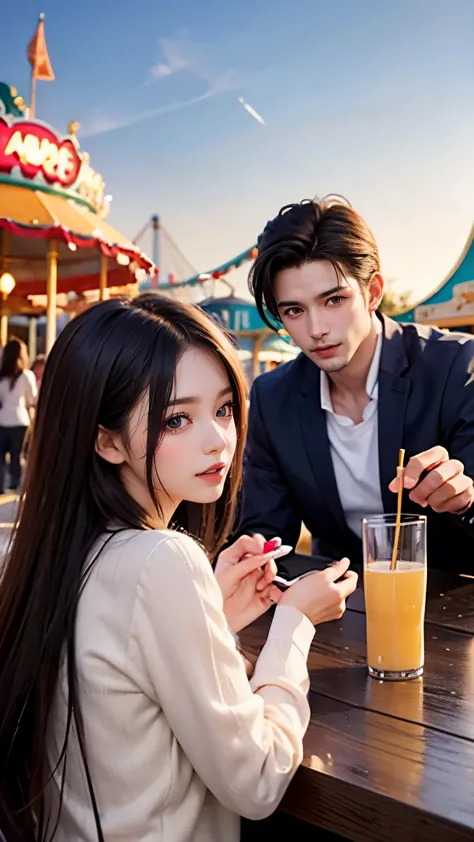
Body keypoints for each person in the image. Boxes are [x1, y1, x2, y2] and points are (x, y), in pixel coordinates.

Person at [0, 294, 357, 842]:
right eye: (176, 419)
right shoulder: (162, 558)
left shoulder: (51, 551)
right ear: (108, 440)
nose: (218, 439)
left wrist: (209, 614)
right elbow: (259, 779)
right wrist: (295, 623)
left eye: (222, 409)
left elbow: (117, 687)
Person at [239, 196, 474, 572]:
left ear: (373, 292)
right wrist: (252, 550)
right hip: (340, 609)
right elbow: (267, 531)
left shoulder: (456, 366)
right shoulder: (273, 397)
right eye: (294, 310)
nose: (316, 329)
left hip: (455, 609)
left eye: (334, 300)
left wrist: (465, 502)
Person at [0, 338, 37, 494]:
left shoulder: (1, 376)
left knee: (0, 457)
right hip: (20, 420)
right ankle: (15, 487)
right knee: (17, 456)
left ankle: (1, 486)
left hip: (2, 420)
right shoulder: (27, 376)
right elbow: (32, 399)